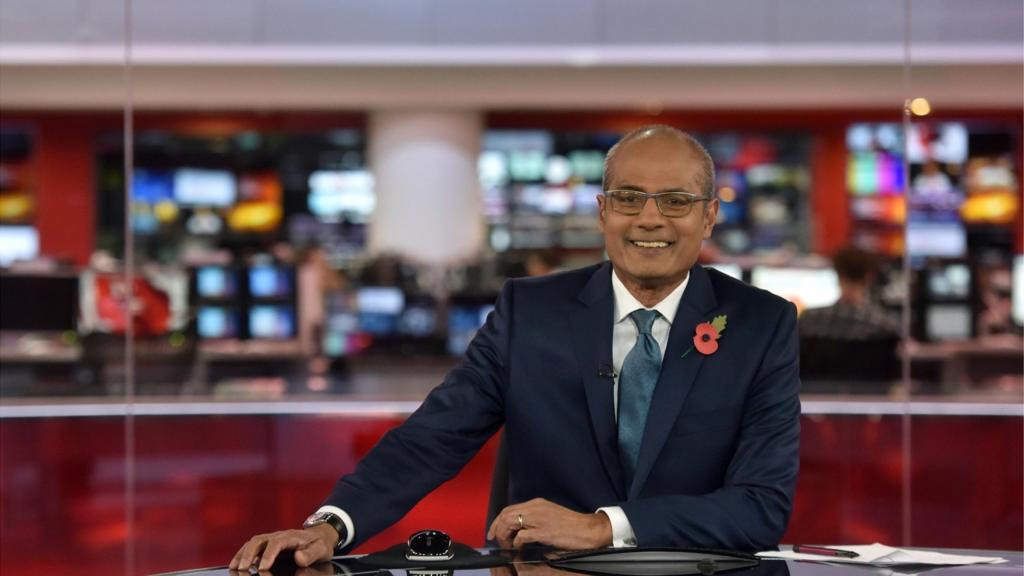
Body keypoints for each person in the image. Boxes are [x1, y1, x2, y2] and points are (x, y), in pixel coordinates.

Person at [230, 125, 801, 571]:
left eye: (675, 201)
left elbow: (759, 507)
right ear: (603, 212)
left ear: (709, 216)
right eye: (629, 198)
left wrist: (603, 526)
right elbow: (434, 435)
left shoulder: (760, 324)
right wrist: (332, 524)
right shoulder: (531, 312)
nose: (649, 218)